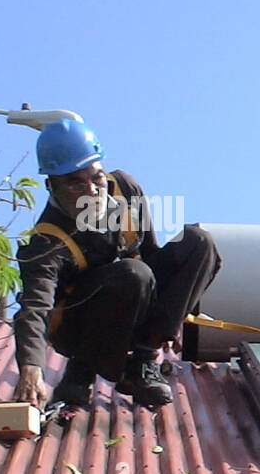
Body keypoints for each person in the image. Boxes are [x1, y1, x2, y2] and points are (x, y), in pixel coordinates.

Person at [11, 119, 221, 409]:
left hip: (135, 301)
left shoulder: (124, 188)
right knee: (133, 274)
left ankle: (144, 362)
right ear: (52, 186)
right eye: (75, 182)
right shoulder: (47, 243)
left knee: (198, 242)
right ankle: (81, 370)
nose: (92, 189)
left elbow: (150, 253)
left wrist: (173, 315)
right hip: (80, 327)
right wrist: (31, 366)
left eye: (96, 177)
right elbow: (35, 309)